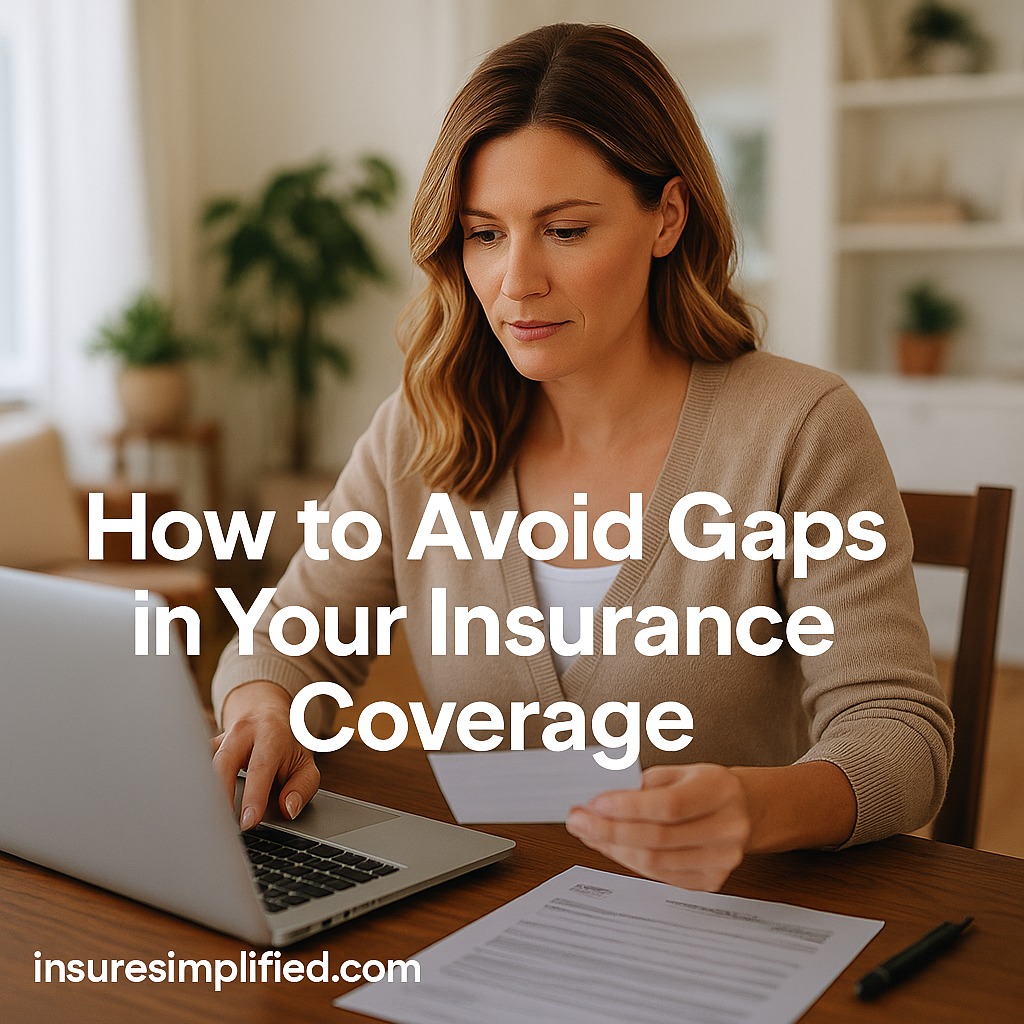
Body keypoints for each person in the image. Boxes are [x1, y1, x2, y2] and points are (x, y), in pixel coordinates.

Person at [210, 23, 952, 892]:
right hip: (478, 910)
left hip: (732, 915)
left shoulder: (800, 428)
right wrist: (262, 706)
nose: (517, 281)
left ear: (667, 216)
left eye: (564, 230)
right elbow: (284, 641)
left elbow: (898, 733)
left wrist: (758, 807)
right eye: (485, 234)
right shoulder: (422, 430)